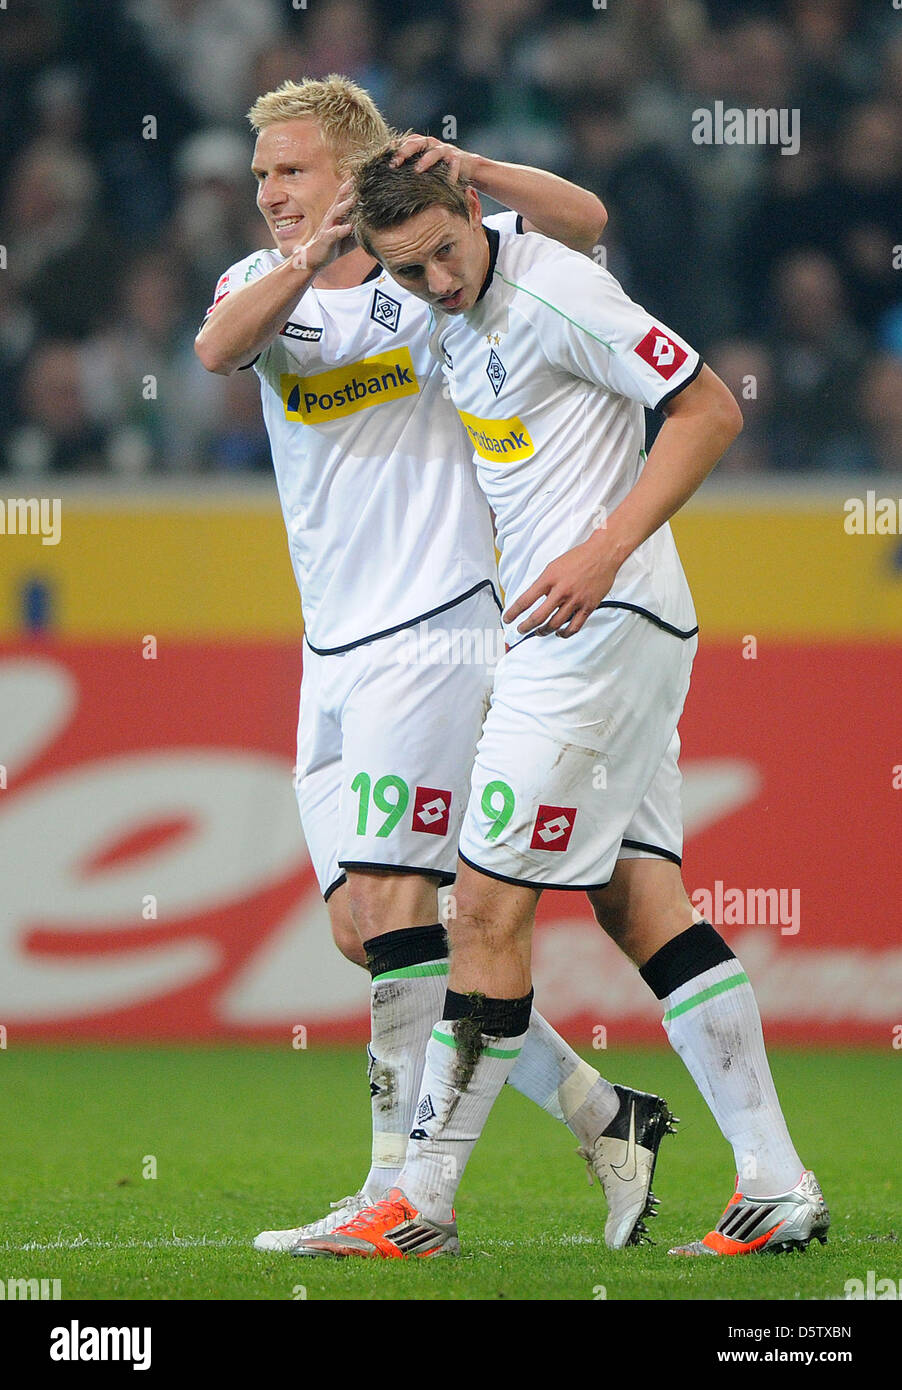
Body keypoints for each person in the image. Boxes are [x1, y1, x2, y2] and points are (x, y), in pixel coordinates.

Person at [294, 146, 831, 1259]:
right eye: (410, 270)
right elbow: (586, 209)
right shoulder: (448, 307)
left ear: (470, 208)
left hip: (596, 627)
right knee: (641, 904)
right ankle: (776, 1183)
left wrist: (602, 546)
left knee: (483, 913)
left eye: (447, 250)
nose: (437, 281)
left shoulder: (551, 289)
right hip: (587, 631)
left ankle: (420, 1203)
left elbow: (709, 408)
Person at [195, 76, 676, 1254]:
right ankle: (604, 1109)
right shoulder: (262, 287)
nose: (269, 193)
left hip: (441, 627)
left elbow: (585, 222)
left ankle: (399, 1194)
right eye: (261, 175)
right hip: (332, 648)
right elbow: (217, 351)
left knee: (399, 903)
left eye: (293, 172)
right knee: (365, 928)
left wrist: (466, 174)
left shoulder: (436, 269)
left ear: (352, 172)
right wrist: (308, 258)